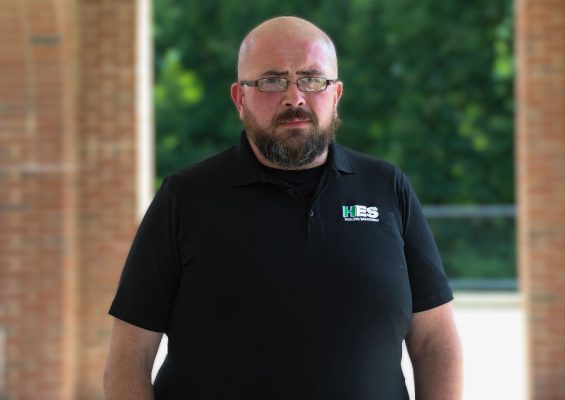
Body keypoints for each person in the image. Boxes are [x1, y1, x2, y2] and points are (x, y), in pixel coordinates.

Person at [103, 16, 462, 400]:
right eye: (272, 81)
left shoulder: (388, 188)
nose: (295, 97)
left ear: (336, 94)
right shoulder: (185, 197)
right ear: (240, 98)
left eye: (312, 79)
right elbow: (129, 358)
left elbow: (435, 344)